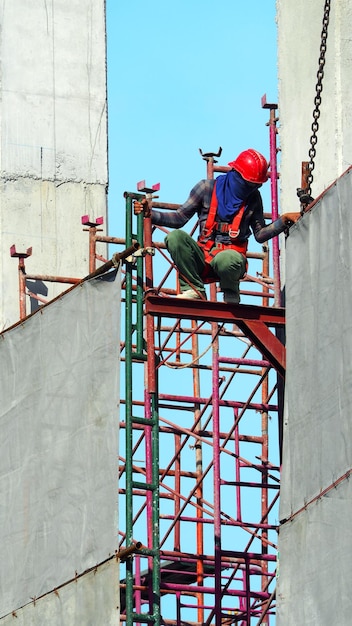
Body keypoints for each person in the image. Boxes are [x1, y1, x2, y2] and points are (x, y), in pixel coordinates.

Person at [134, 148, 300, 303]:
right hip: (203, 258)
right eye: (249, 184)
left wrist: (282, 221)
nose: (252, 188)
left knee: (226, 258)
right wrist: (150, 214)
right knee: (175, 237)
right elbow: (179, 218)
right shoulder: (206, 189)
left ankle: (230, 290)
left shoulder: (253, 198)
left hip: (230, 261)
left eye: (256, 185)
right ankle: (194, 289)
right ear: (236, 174)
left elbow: (260, 234)